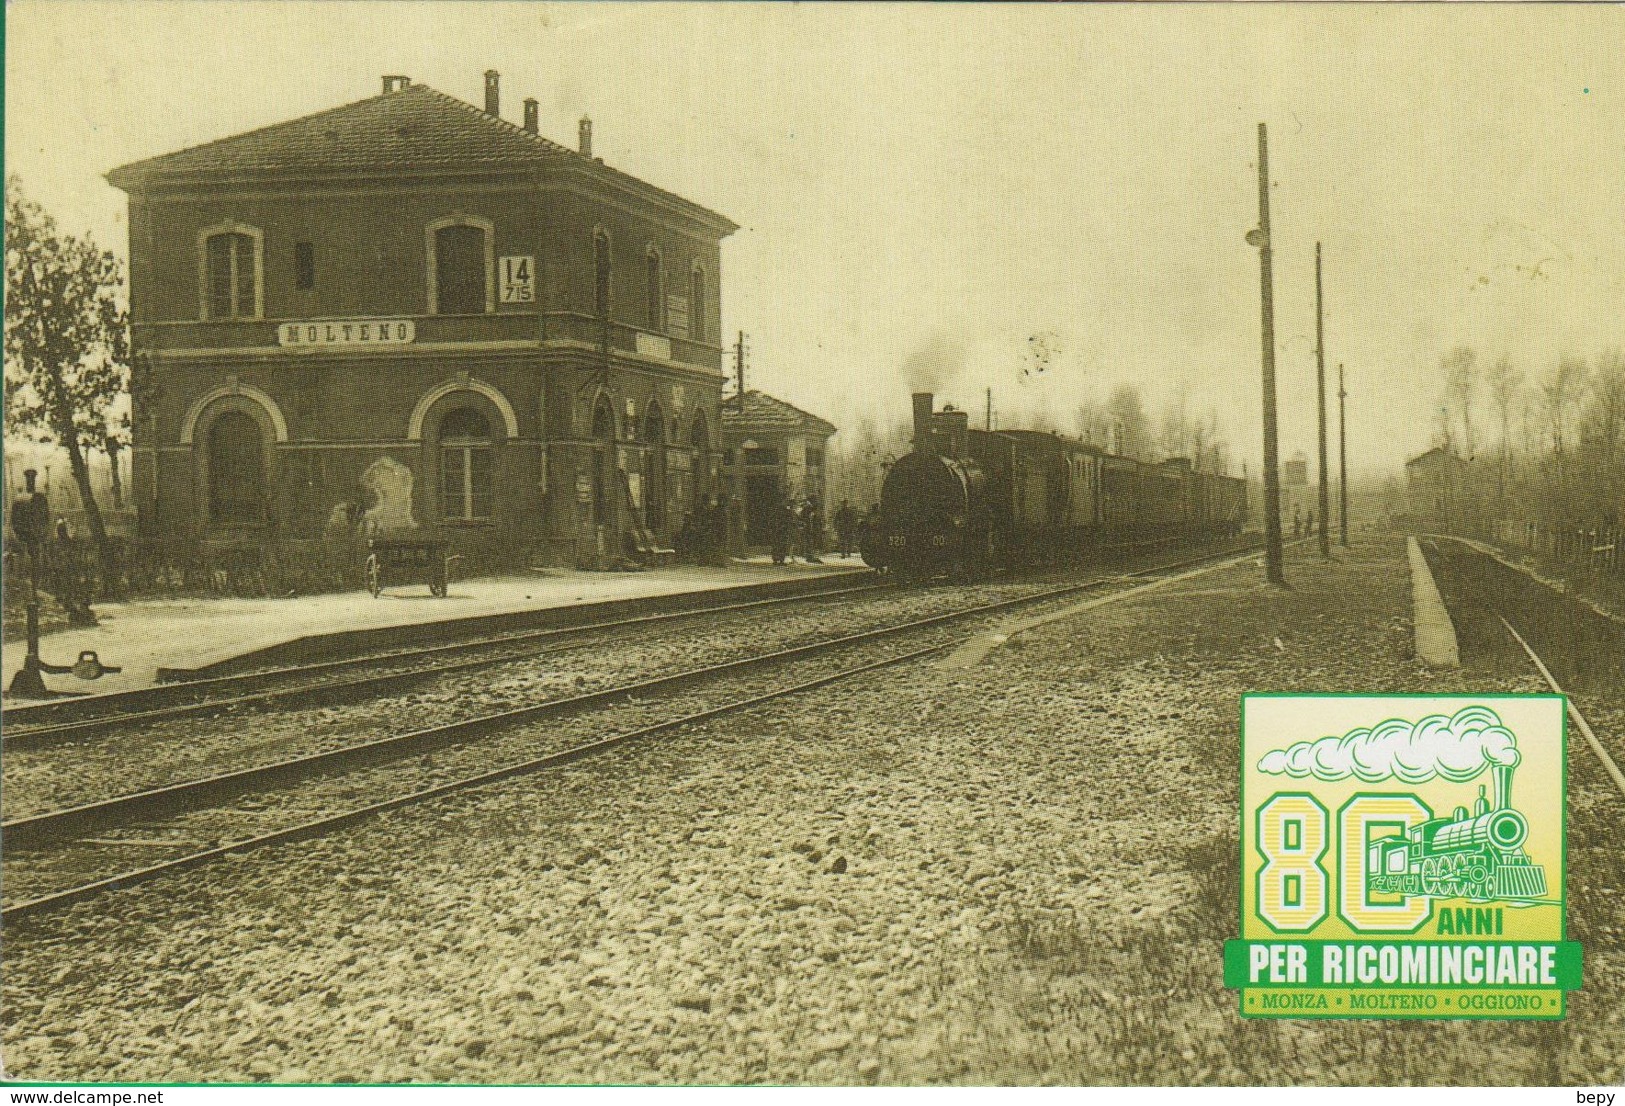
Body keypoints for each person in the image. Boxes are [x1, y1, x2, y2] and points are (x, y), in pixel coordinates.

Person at [799, 495, 823, 564]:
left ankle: (813, 557)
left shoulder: (813, 508)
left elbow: (817, 519)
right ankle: (809, 557)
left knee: (814, 543)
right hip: (808, 529)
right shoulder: (806, 509)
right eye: (814, 500)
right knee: (809, 543)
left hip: (813, 529)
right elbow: (803, 518)